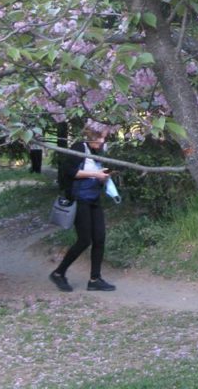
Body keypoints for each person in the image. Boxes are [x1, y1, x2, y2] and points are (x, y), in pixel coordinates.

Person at [49, 123, 116, 293]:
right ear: (92, 135)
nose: (103, 141)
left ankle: (95, 279)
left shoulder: (97, 152)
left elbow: (97, 173)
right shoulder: (79, 147)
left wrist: (104, 177)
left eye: (105, 137)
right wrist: (95, 174)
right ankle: (58, 273)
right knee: (84, 239)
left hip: (94, 199)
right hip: (79, 200)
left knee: (100, 238)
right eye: (101, 137)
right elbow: (69, 171)